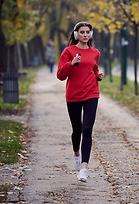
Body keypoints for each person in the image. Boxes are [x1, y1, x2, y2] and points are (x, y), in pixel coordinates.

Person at [57, 21, 104, 182]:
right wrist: (71, 64)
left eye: (87, 32)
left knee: (87, 129)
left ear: (90, 34)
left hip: (91, 93)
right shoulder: (68, 52)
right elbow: (60, 75)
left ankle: (84, 168)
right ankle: (76, 153)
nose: (85, 35)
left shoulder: (95, 52)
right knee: (76, 130)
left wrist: (98, 75)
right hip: (73, 95)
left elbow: (94, 68)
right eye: (82, 32)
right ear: (77, 35)